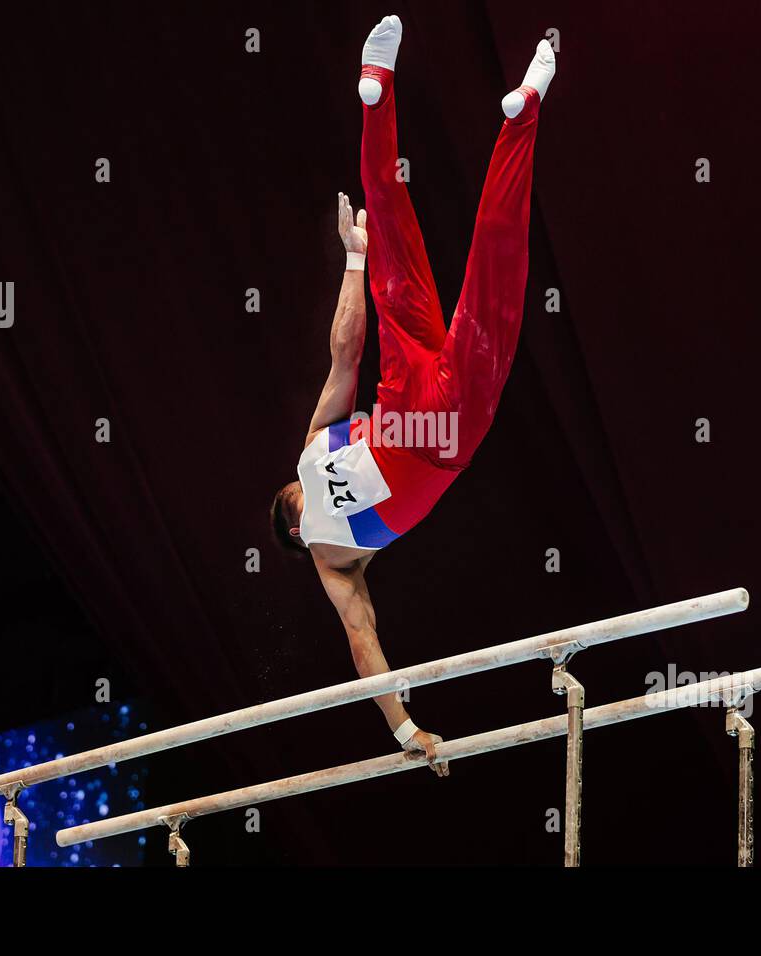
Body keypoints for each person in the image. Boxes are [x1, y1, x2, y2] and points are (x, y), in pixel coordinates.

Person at [270, 16, 555, 772]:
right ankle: (376, 92)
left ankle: (525, 114)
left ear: (297, 534)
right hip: (396, 399)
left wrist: (406, 733)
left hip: (443, 433)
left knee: (498, 267)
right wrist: (354, 263)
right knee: (391, 230)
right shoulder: (308, 450)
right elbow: (344, 353)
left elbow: (368, 649)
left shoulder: (332, 565)